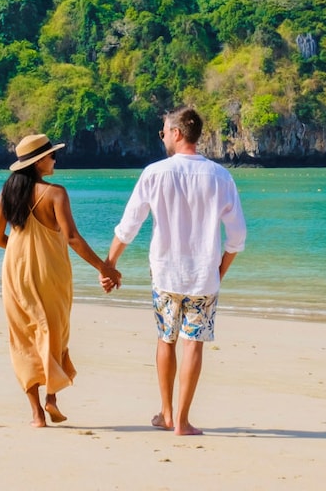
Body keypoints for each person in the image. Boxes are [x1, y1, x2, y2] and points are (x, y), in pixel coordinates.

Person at [105, 107, 247, 437]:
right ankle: (182, 421)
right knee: (193, 345)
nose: (163, 137)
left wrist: (109, 265)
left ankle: (167, 414)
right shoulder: (220, 176)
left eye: (164, 132)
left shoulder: (155, 173)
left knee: (165, 340)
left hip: (166, 275)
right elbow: (237, 236)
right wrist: (219, 271)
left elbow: (129, 226)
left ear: (178, 133)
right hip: (203, 277)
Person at [0, 132, 121, 428]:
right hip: (50, 271)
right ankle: (51, 397)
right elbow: (72, 238)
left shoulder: (6, 194)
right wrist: (104, 267)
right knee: (54, 331)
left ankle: (37, 414)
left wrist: (21, 251)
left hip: (14, 272)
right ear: (38, 163)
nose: (55, 159)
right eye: (50, 156)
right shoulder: (56, 193)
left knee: (24, 336)